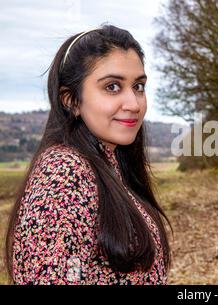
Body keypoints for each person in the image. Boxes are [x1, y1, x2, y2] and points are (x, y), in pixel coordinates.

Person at [4, 24, 171, 285]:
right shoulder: (64, 171)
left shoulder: (110, 165)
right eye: (112, 87)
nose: (134, 103)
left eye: (138, 86)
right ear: (71, 100)